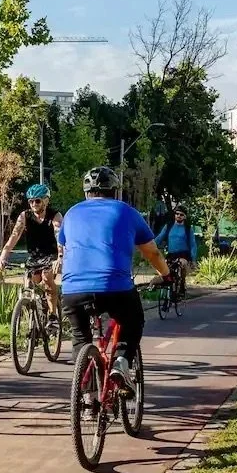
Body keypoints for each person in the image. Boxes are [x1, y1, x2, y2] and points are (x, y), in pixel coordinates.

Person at [57, 166, 171, 395]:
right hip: (115, 287)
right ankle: (121, 362)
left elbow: (65, 246)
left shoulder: (71, 213)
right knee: (134, 320)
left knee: (80, 338)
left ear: (86, 191)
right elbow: (152, 253)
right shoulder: (126, 212)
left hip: (72, 290)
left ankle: (88, 398)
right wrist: (166, 275)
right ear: (114, 190)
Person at [0, 183, 62, 323]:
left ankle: (53, 316)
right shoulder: (25, 216)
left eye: (37, 200)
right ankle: (33, 320)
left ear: (46, 200)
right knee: (29, 285)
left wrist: (60, 257)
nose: (34, 204)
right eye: (31, 201)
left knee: (47, 279)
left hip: (51, 255)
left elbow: (59, 237)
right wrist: (3, 256)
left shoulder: (54, 216)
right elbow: (14, 237)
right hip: (34, 257)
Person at [155, 205, 198, 299]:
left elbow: (193, 244)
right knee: (164, 267)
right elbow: (159, 237)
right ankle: (169, 287)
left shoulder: (187, 229)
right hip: (171, 254)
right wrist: (151, 246)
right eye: (177, 214)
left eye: (181, 214)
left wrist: (193, 259)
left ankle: (182, 283)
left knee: (182, 264)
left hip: (183, 253)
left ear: (185, 217)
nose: (178, 216)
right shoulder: (169, 226)